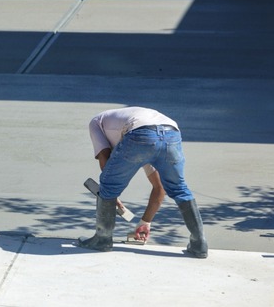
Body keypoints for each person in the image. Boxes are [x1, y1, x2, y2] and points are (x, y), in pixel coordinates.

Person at [76, 106, 208, 258]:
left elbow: (104, 157)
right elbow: (160, 187)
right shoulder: (138, 137)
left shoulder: (96, 122)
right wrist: (145, 222)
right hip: (171, 133)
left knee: (108, 185)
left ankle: (102, 239)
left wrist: (111, 195)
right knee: (179, 188)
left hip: (139, 134)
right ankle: (199, 244)